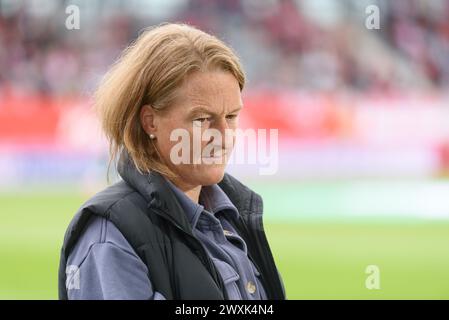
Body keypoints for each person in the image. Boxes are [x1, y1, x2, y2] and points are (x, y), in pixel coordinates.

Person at [58, 23, 285, 300]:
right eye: (202, 119)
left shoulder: (234, 216)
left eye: (231, 117)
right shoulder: (111, 239)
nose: (224, 136)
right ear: (150, 121)